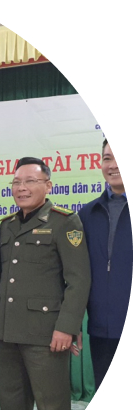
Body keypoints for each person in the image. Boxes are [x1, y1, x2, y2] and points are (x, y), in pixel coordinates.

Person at [0, 157, 91, 410]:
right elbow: (0, 277)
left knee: (53, 409)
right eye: (16, 182)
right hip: (8, 331)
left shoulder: (64, 222)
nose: (22, 188)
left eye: (30, 181)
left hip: (47, 334)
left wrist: (67, 327)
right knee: (12, 406)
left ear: (48, 185)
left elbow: (79, 280)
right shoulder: (7, 225)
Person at [79, 139, 131, 390]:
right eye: (107, 158)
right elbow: (77, 274)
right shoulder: (87, 214)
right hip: (101, 329)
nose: (113, 165)